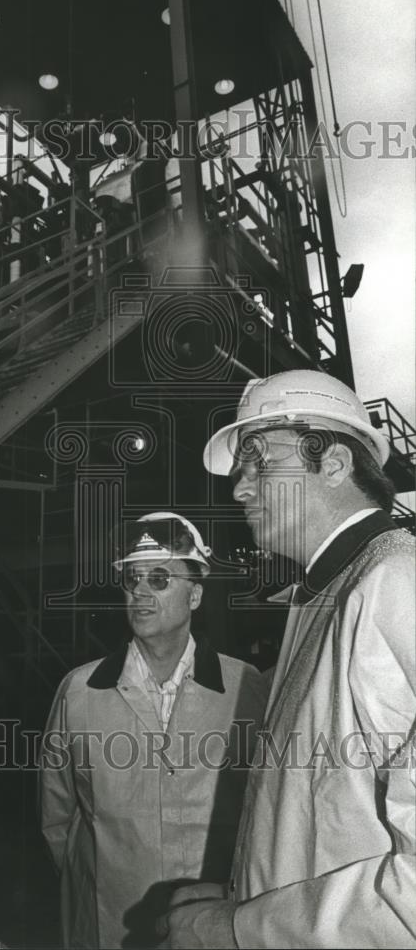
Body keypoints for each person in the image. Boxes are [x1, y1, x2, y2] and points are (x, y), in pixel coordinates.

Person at [163, 369, 416, 947]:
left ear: (332, 463)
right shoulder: (329, 594)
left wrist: (239, 928)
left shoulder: (397, 582)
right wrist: (248, 893)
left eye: (257, 460)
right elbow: (323, 819)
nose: (239, 488)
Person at [40, 512, 265, 948]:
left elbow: (262, 805)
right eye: (131, 579)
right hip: (110, 921)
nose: (140, 592)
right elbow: (57, 816)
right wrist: (96, 885)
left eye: (159, 579)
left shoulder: (244, 687)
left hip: (210, 921)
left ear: (195, 595)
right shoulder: (80, 692)